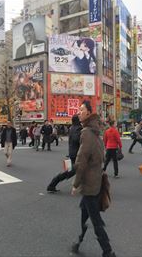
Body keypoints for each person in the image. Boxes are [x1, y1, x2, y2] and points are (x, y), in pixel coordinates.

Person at [69, 101, 115, 257]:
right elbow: (100, 156)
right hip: (96, 180)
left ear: (88, 113)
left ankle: (108, 251)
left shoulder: (87, 133)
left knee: (95, 220)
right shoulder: (96, 131)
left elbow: (81, 161)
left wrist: (75, 184)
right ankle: (78, 241)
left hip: (90, 184)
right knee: (84, 212)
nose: (78, 112)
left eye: (81, 109)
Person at [47, 116, 82, 193]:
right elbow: (76, 139)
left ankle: (83, 185)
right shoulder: (78, 128)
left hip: (72, 152)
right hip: (76, 154)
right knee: (70, 171)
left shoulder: (72, 127)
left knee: (74, 170)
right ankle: (53, 183)